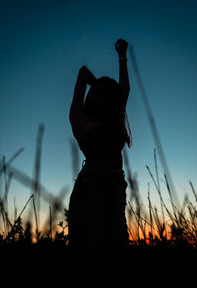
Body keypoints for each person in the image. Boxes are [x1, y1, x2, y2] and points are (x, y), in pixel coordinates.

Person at [68, 39, 132, 251]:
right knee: (88, 250)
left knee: (117, 247)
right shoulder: (80, 118)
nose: (97, 96)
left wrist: (122, 57)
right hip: (90, 188)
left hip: (116, 187)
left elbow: (123, 90)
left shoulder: (115, 120)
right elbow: (83, 72)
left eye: (103, 95)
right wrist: (98, 84)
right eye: (94, 92)